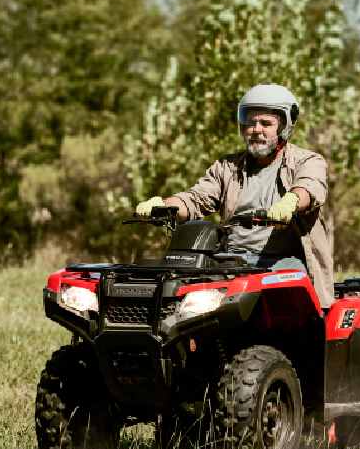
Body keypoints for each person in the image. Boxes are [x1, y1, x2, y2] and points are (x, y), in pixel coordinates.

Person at [134, 84, 335, 307]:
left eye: (266, 124)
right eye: (250, 123)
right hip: (230, 261)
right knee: (178, 296)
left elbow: (310, 187)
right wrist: (164, 205)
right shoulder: (227, 167)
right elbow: (196, 199)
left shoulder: (307, 161)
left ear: (284, 127)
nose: (256, 129)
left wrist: (292, 201)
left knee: (284, 298)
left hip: (284, 262)